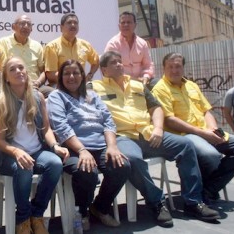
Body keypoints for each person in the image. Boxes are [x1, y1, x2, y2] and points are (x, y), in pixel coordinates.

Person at [89, 51, 220, 221]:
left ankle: (193, 202)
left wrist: (158, 128)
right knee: (131, 160)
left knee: (186, 145)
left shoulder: (137, 85)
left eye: (120, 61)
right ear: (104, 70)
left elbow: (156, 108)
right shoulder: (94, 88)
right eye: (114, 63)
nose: (120, 65)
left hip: (149, 133)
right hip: (123, 137)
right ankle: (156, 202)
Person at [47, 60, 173, 229]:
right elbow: (61, 127)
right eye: (66, 73)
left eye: (76, 73)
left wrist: (112, 147)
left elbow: (108, 121)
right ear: (61, 78)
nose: (71, 77)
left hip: (100, 146)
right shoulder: (57, 97)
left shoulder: (93, 96)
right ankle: (82, 212)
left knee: (122, 165)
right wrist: (82, 150)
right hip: (73, 148)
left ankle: (100, 207)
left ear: (82, 76)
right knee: (87, 171)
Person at [0, 57, 69, 234]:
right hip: (10, 155)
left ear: (27, 72)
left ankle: (37, 214)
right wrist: (17, 152)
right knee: (24, 167)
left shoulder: (37, 97)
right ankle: (23, 219)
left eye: (21, 68)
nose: (19, 71)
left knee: (55, 163)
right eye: (13, 69)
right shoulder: (1, 103)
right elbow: (0, 142)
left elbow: (46, 129)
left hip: (36, 150)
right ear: (6, 78)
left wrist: (55, 145)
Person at [152, 52, 234, 203]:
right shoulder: (160, 89)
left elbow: (206, 110)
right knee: (211, 156)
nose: (174, 70)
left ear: (183, 68)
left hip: (205, 131)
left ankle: (209, 188)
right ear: (163, 68)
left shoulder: (192, 85)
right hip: (185, 135)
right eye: (170, 67)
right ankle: (205, 190)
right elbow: (169, 120)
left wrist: (213, 129)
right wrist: (203, 133)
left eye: (178, 67)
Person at [0, 15, 52, 97]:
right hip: (12, 85)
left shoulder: (37, 45)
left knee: (54, 94)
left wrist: (38, 82)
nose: (26, 26)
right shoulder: (3, 43)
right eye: (22, 23)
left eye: (29, 24)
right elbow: (1, 68)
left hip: (34, 85)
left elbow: (44, 71)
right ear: (14, 27)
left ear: (31, 29)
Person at [44, 13, 99, 86]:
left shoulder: (85, 45)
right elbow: (51, 75)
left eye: (75, 23)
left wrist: (90, 75)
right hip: (60, 86)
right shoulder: (52, 46)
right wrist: (71, 84)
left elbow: (96, 61)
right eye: (69, 23)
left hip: (81, 85)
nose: (73, 25)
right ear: (61, 27)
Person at [104, 11, 154, 87]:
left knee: (157, 83)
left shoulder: (142, 43)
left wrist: (146, 77)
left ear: (135, 25)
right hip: (120, 83)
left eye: (129, 22)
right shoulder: (113, 44)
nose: (126, 25)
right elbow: (110, 69)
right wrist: (133, 80)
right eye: (123, 23)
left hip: (142, 81)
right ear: (119, 26)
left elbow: (148, 65)